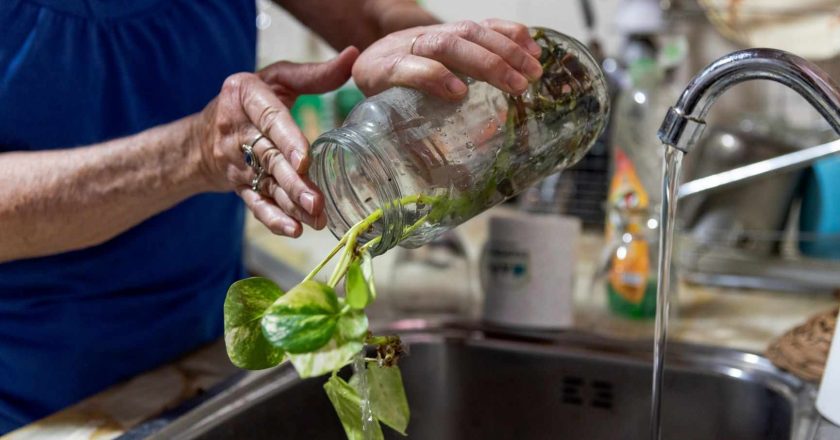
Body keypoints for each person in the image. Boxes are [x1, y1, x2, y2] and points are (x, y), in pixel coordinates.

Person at [0, 0, 544, 433]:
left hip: (200, 367)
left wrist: (420, 52)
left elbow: (376, 13)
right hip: (30, 403)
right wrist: (192, 153)